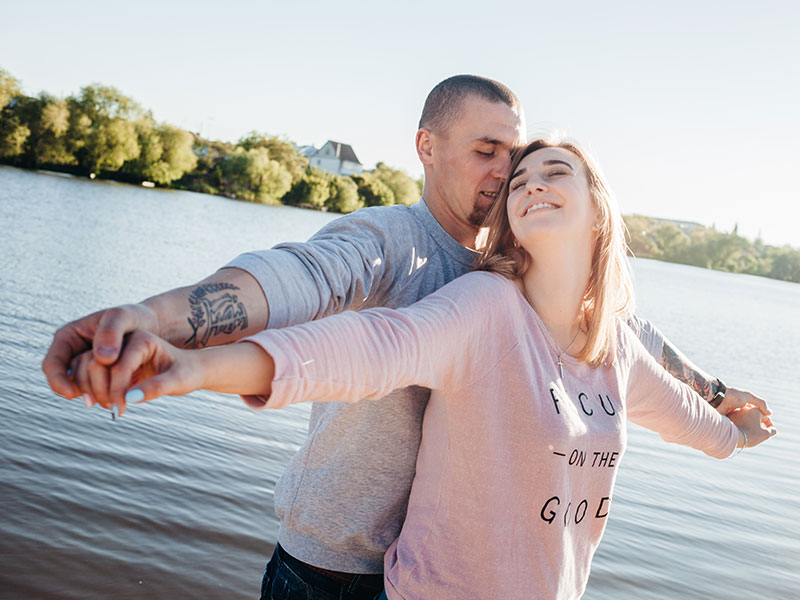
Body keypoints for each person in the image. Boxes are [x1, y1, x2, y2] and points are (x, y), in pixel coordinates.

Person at [42, 76, 771, 599]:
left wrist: (711, 393)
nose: (505, 174)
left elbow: (624, 332)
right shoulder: (393, 244)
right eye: (487, 151)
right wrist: (165, 327)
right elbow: (309, 292)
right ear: (427, 145)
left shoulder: (523, 271)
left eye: (515, 159)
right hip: (331, 568)